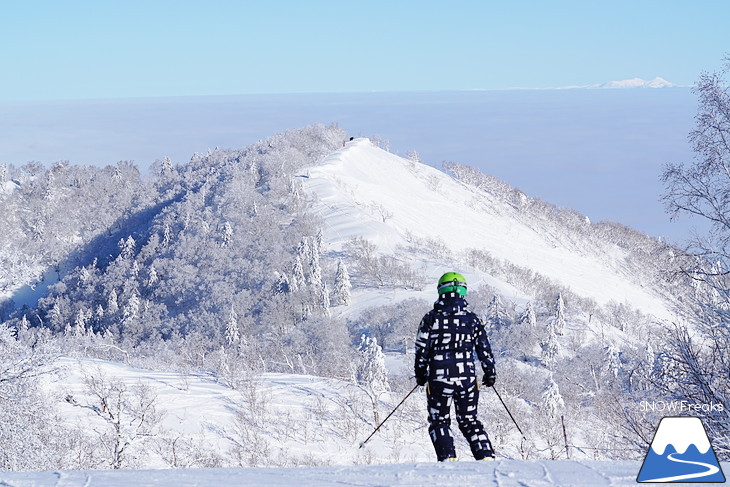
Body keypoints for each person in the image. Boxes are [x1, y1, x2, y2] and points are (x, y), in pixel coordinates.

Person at [414, 272, 497, 461]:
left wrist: (420, 373)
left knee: (439, 421)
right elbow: (484, 348)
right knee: (469, 420)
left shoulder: (430, 318)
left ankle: (448, 458)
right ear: (463, 291)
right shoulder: (472, 319)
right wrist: (489, 372)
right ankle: (485, 456)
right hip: (466, 378)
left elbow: (421, 349)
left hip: (439, 379)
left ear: (440, 290)